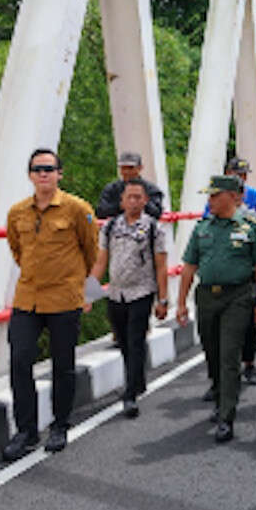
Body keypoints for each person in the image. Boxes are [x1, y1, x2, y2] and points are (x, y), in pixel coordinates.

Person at [1, 149, 98, 460]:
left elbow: (91, 251)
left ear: (59, 173)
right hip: (27, 298)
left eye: (49, 168)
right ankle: (26, 431)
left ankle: (60, 425)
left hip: (64, 299)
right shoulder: (17, 212)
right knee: (19, 362)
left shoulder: (77, 209)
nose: (43, 174)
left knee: (62, 364)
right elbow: (17, 251)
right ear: (30, 175)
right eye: (37, 169)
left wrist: (81, 290)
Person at [175, 175, 256, 443]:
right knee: (212, 351)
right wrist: (181, 303)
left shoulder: (249, 228)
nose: (210, 201)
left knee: (229, 355)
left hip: (237, 296)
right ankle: (219, 396)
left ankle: (227, 416)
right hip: (206, 296)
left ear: (232, 196)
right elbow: (189, 267)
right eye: (209, 196)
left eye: (215, 196)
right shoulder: (202, 228)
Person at [85, 178, 169, 418]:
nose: (133, 201)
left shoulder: (154, 228)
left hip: (142, 291)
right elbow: (101, 261)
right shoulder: (110, 227)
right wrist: (89, 294)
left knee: (135, 341)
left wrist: (163, 300)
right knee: (123, 342)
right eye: (129, 197)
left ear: (145, 200)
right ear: (121, 201)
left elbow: (162, 266)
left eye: (138, 197)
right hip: (116, 293)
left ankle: (130, 394)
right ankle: (138, 380)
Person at [94, 151, 165, 220]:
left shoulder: (151, 189)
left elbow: (157, 213)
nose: (126, 171)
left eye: (130, 168)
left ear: (140, 168)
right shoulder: (111, 189)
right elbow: (100, 212)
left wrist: (142, 205)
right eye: (123, 168)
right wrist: (120, 206)